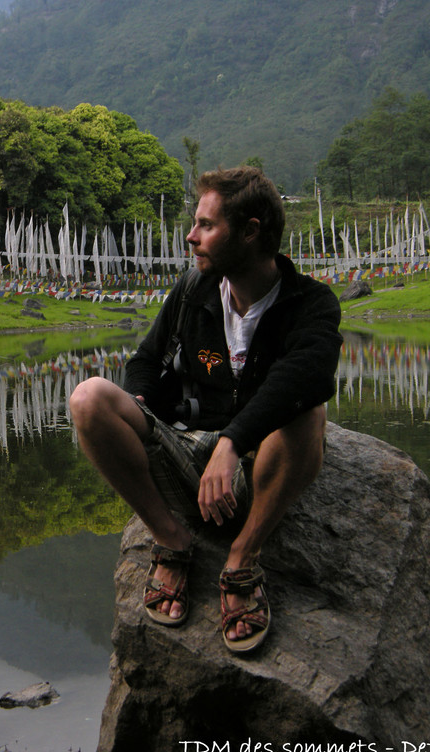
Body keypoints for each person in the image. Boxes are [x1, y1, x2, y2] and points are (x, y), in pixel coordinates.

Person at [69, 166, 342, 653]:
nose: (192, 237)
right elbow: (146, 362)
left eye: (207, 226)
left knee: (310, 413)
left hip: (259, 460)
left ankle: (241, 558)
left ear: (251, 232)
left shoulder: (310, 302)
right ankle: (171, 538)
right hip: (187, 448)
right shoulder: (194, 292)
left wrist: (234, 441)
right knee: (88, 399)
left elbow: (309, 376)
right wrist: (143, 416)